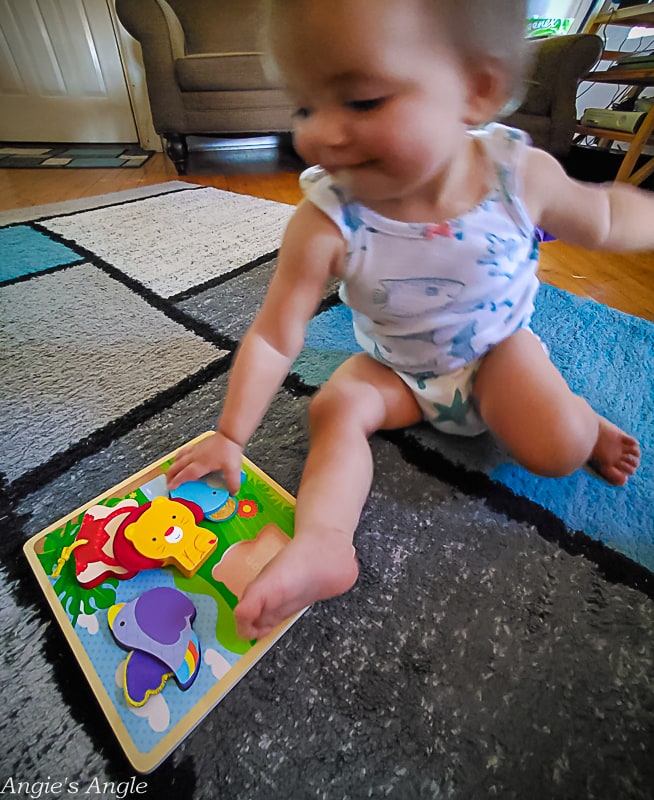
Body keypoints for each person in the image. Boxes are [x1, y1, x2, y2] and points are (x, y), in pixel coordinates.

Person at [167, 0, 652, 641]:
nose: (317, 135)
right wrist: (231, 435)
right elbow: (275, 333)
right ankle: (323, 541)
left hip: (496, 356)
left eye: (362, 101)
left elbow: (608, 217)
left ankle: (583, 421)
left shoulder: (517, 177)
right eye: (305, 105)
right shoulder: (326, 220)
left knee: (556, 450)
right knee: (335, 406)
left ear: (475, 91)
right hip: (396, 372)